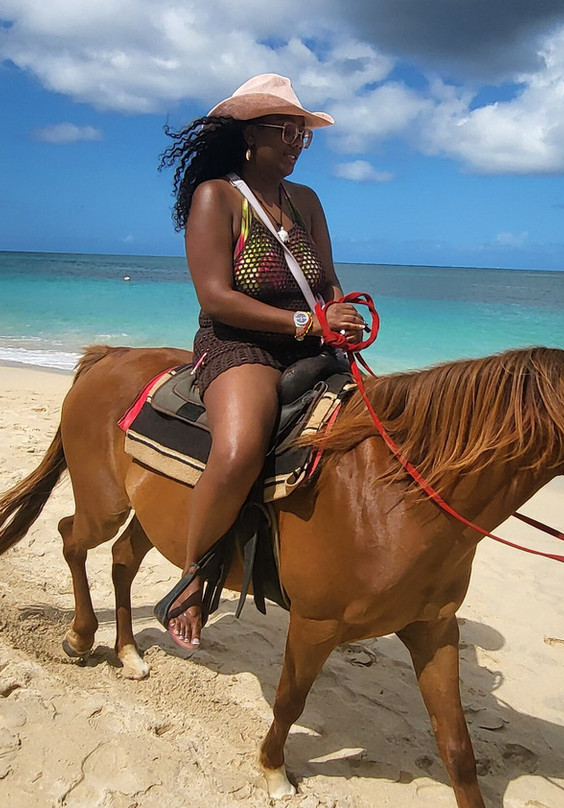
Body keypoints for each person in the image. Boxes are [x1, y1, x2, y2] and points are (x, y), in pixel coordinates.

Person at [157, 74, 366, 649]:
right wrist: (304, 322)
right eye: (286, 130)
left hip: (313, 342)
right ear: (251, 134)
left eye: (303, 132)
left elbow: (325, 279)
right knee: (239, 449)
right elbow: (215, 297)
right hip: (238, 343)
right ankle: (192, 578)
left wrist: (338, 315)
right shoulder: (216, 197)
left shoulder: (307, 201)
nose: (297, 141)